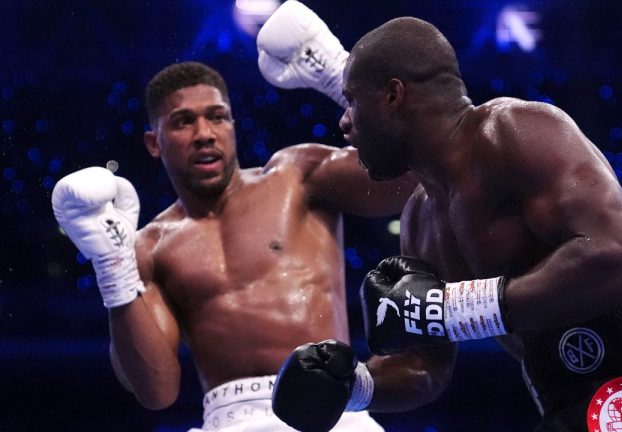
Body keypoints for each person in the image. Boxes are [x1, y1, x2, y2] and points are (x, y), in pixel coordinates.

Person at [266, 10, 622, 432]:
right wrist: (354, 386)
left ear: (394, 96)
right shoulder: (420, 217)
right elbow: (425, 367)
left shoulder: (515, 131)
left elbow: (621, 262)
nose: (344, 120)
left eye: (352, 101)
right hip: (565, 396)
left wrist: (457, 308)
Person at [50, 56, 449, 432]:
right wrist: (112, 266)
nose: (204, 134)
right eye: (183, 122)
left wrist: (343, 82)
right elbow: (156, 391)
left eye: (217, 117)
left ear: (232, 126)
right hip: (230, 417)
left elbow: (426, 175)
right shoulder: (147, 248)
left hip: (330, 404)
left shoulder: (297, 176)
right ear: (154, 142)